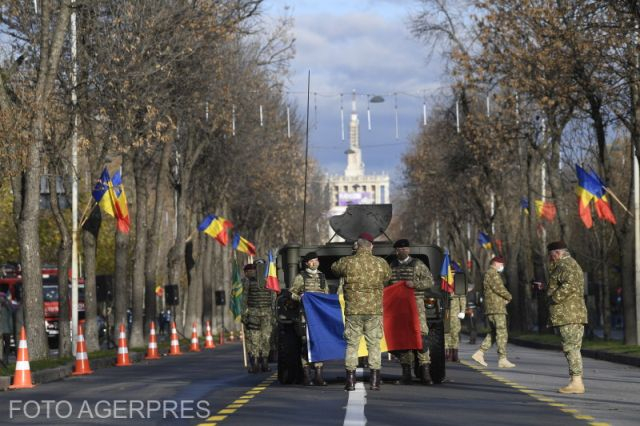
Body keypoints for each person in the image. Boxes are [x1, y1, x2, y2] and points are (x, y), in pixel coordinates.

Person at [331, 232, 391, 391]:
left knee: (352, 345)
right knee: (374, 345)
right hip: (373, 311)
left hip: (353, 311)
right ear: (371, 246)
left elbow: (334, 269)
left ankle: (350, 381)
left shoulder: (347, 262)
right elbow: (387, 276)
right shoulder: (380, 263)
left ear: (357, 245)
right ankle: (375, 381)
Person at [387, 238, 434, 385]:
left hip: (416, 306)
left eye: (405, 248)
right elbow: (386, 285)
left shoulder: (417, 265)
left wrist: (415, 284)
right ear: (396, 251)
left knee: (421, 337)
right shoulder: (392, 266)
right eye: (400, 249)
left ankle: (425, 373)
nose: (403, 251)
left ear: (409, 250)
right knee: (403, 339)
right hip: (398, 308)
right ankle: (406, 373)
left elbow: (430, 282)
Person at [546, 241, 587, 394]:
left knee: (571, 348)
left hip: (568, 313)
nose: (550, 259)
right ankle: (577, 380)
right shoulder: (568, 264)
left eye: (551, 256)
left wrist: (553, 297)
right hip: (572, 313)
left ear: (557, 253)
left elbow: (570, 285)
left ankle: (576, 382)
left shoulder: (566, 265)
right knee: (573, 348)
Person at [289, 252, 328, 386]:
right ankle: (306, 375)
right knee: (306, 345)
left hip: (319, 317)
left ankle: (318, 375)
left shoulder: (322, 276)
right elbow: (292, 293)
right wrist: (301, 298)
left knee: (319, 344)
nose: (315, 263)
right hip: (305, 316)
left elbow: (326, 294)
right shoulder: (301, 277)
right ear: (307, 263)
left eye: (316, 260)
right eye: (312, 261)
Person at [471, 256, 516, 368]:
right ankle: (502, 358)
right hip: (496, 308)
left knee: (495, 332)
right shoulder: (493, 273)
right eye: (501, 264)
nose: (502, 267)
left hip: (493, 307)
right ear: (496, 263)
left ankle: (480, 353)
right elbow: (499, 288)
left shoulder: (489, 273)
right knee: (502, 332)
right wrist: (509, 297)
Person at [242, 263, 275, 373]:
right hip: (254, 313)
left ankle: (264, 362)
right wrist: (244, 314)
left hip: (265, 314)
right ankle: (256, 362)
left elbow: (273, 298)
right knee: (257, 339)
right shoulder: (249, 281)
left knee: (265, 338)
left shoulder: (269, 281)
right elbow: (244, 298)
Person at [446, 290, 466, 363]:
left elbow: (462, 298)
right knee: (446, 334)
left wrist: (463, 311)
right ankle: (447, 354)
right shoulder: (443, 283)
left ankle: (454, 355)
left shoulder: (458, 285)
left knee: (455, 334)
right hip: (445, 313)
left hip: (455, 314)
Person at [0, 292, 14, 364]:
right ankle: (4, 359)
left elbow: (11, 312)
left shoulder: (8, 305)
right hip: (4, 330)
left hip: (6, 329)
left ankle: (5, 359)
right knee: (5, 346)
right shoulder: (7, 304)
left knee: (7, 345)